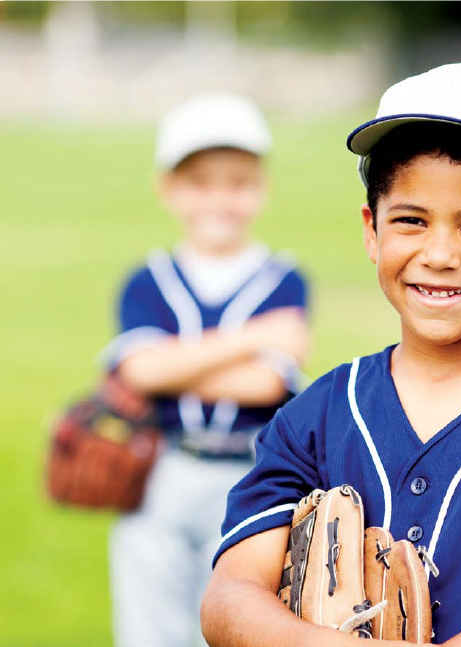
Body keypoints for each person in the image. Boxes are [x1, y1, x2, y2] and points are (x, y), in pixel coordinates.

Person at [200, 63, 461, 647]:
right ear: (371, 230)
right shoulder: (316, 416)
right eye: (410, 220)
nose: (439, 253)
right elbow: (230, 598)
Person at [102, 93, 309, 647]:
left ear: (261, 186)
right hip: (161, 468)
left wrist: (175, 365)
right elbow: (141, 373)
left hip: (249, 476)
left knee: (232, 622)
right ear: (168, 188)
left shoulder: (283, 278)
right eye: (201, 182)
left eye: (238, 182)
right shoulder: (146, 279)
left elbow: (265, 384)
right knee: (149, 627)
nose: (220, 198)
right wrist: (255, 337)